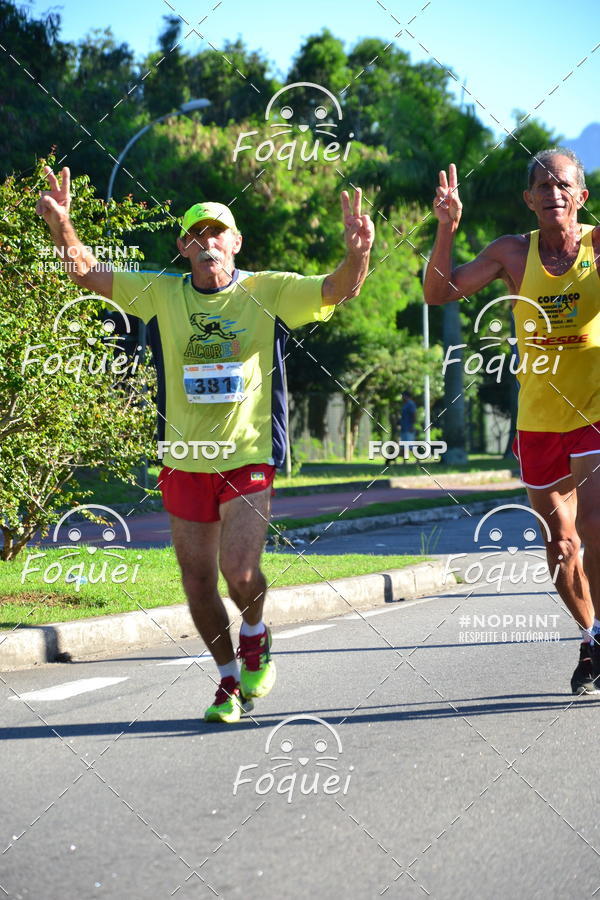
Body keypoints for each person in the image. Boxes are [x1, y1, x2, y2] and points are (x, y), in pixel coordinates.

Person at [37, 167, 375, 721]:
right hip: (184, 459)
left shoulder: (267, 291)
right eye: (198, 234)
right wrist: (62, 225)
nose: (208, 242)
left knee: (239, 572)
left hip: (248, 455)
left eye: (219, 233)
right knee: (197, 583)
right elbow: (87, 274)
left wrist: (358, 252)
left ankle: (256, 632)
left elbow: (337, 289)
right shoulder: (163, 294)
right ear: (184, 247)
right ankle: (227, 682)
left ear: (235, 243)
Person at [423, 150, 600, 695]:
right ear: (529, 199)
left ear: (582, 195)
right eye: (542, 186)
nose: (553, 194)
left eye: (563, 185)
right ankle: (592, 637)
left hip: (595, 411)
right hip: (538, 420)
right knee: (561, 545)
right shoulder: (511, 253)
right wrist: (447, 229)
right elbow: (438, 292)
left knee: (595, 524)